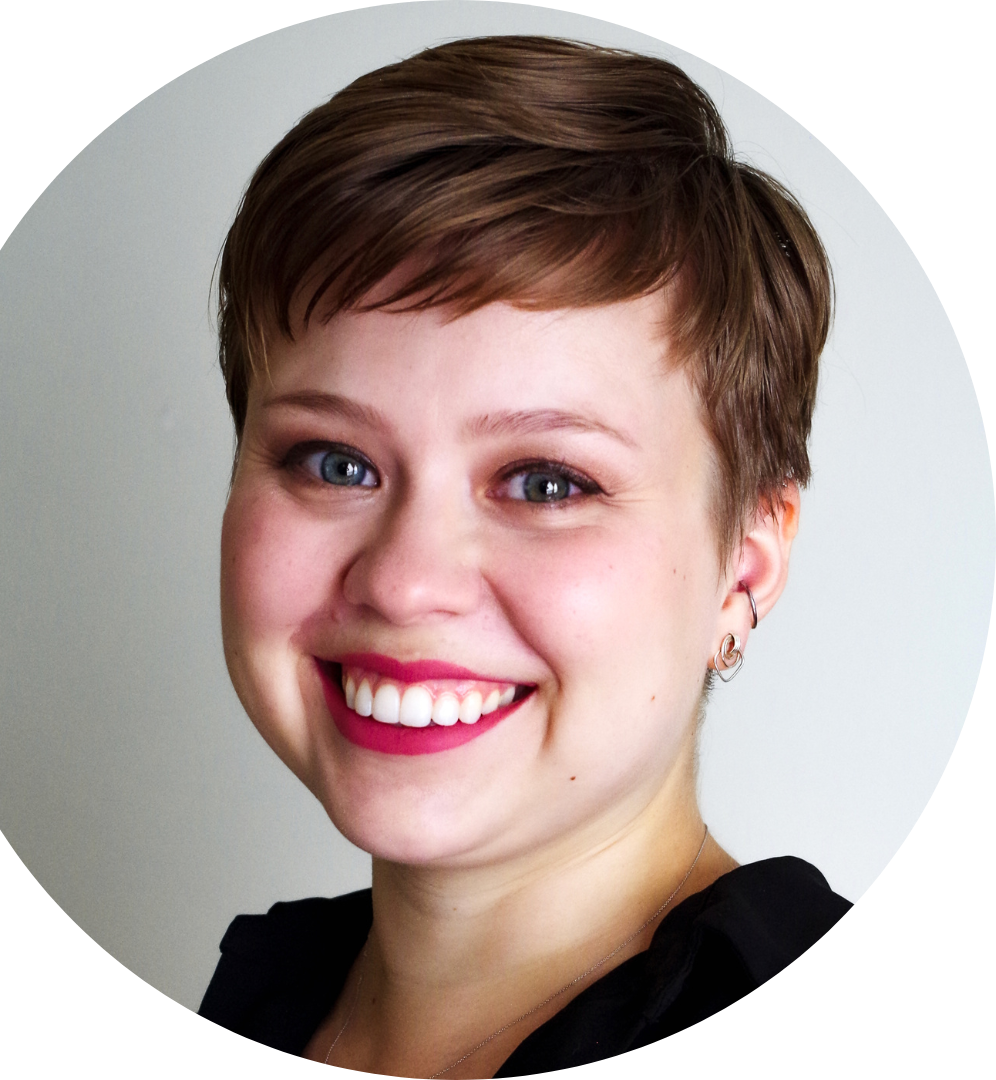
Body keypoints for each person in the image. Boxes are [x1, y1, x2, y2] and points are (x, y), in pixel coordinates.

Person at [199, 36, 850, 1075]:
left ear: (745, 566)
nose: (405, 582)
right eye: (335, 462)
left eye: (547, 482)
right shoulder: (268, 989)